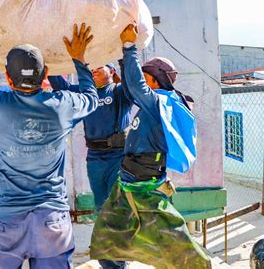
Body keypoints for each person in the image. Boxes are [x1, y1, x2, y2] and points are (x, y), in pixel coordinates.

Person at [0, 21, 98, 269]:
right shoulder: (62, 106)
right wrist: (79, 58)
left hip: (9, 221)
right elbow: (92, 98)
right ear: (45, 75)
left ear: (8, 78)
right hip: (52, 222)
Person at [90, 24, 211, 268]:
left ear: (155, 81)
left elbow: (135, 86)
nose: (142, 84)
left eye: (146, 79)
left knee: (177, 246)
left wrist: (129, 47)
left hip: (145, 190)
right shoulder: (154, 103)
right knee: (107, 239)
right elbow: (133, 86)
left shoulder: (160, 104)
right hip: (127, 187)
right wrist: (123, 58)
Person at [49, 63, 133, 269]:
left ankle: (118, 260)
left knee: (116, 209)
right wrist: (52, 60)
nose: (93, 70)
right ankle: (110, 258)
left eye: (99, 67)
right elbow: (61, 85)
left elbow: (132, 83)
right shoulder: (86, 94)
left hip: (118, 158)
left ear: (112, 72)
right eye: (91, 68)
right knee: (101, 208)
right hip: (94, 158)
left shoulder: (120, 92)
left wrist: (126, 56)